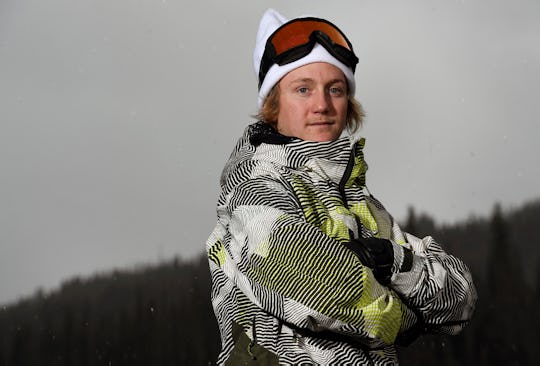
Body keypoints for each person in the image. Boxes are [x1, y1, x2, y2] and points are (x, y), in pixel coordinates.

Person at [206, 8, 477, 365]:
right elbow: (314, 280)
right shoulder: (255, 184)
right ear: (273, 104)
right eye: (303, 89)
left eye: (335, 89)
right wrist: (411, 318)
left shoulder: (359, 200)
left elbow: (461, 297)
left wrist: (394, 262)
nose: (322, 105)